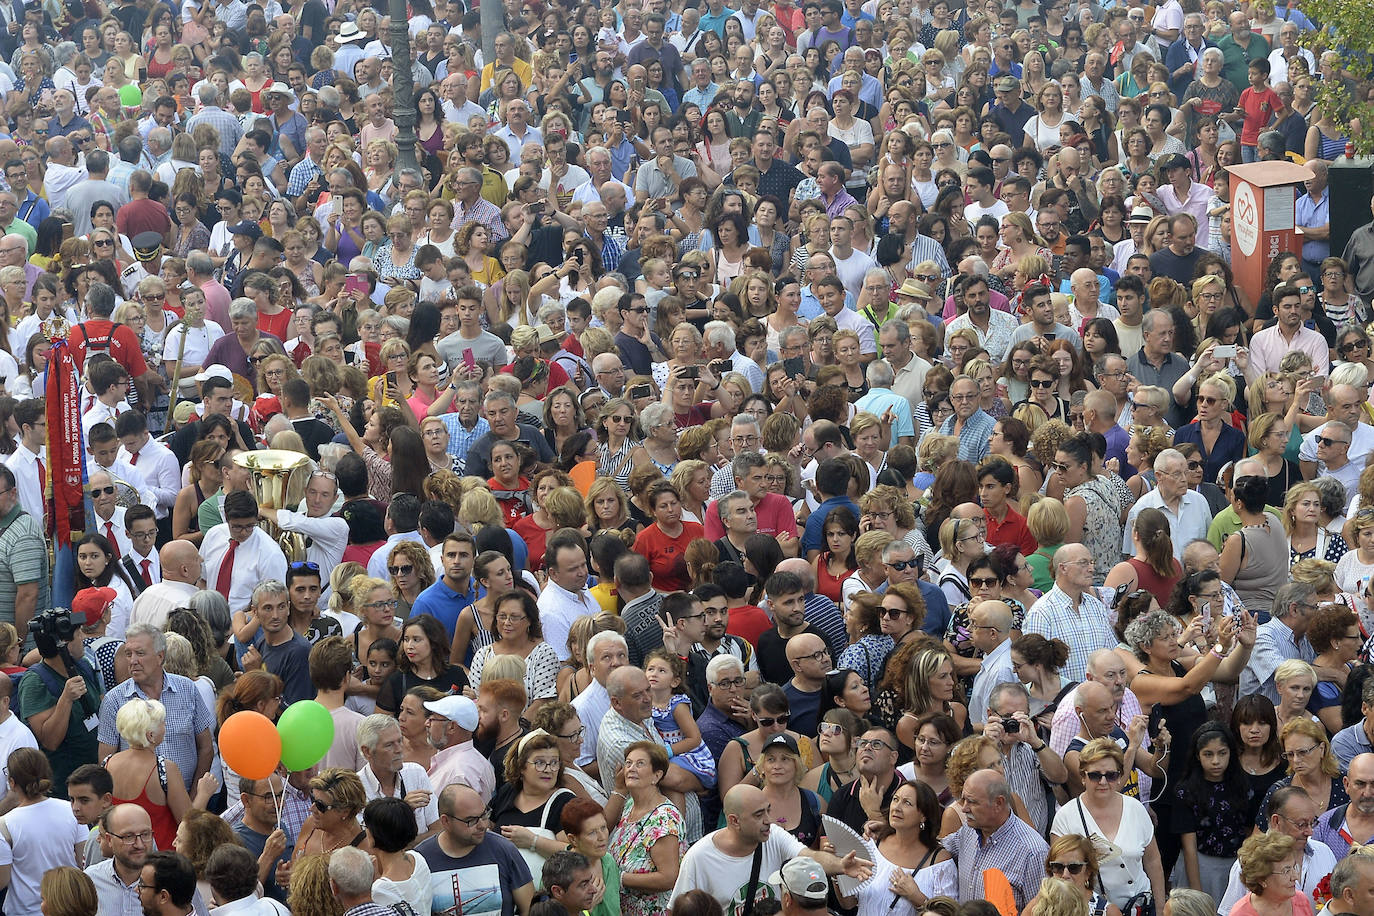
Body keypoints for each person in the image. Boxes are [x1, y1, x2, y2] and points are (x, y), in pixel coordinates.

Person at [1050, 738, 1166, 910]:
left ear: (1120, 777)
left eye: (1111, 775)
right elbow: (1060, 875)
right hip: (1093, 910)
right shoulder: (1065, 817)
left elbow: (1153, 861)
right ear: (1083, 777)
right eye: (1095, 775)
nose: (1103, 782)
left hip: (1142, 907)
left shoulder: (1136, 808)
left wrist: (1161, 909)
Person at [415, 783, 535, 916]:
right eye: (471, 820)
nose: (483, 825)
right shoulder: (420, 860)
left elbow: (530, 909)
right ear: (446, 821)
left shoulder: (504, 850)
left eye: (484, 815)